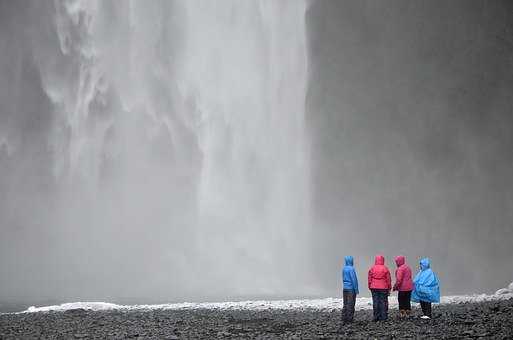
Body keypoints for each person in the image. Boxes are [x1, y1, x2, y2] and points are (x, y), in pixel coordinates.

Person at [368, 255, 391, 321]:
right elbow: (388, 279)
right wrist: (389, 287)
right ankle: (383, 317)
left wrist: (369, 286)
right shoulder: (385, 268)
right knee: (383, 302)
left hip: (374, 287)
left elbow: (369, 279)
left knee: (375, 302)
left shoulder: (372, 268)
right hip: (383, 287)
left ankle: (376, 317)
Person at [341, 255, 359, 323]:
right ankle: (350, 319)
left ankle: (344, 317)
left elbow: (343, 278)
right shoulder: (351, 269)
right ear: (351, 261)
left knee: (345, 303)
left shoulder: (344, 268)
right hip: (351, 289)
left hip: (345, 288)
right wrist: (356, 289)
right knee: (351, 304)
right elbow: (354, 280)